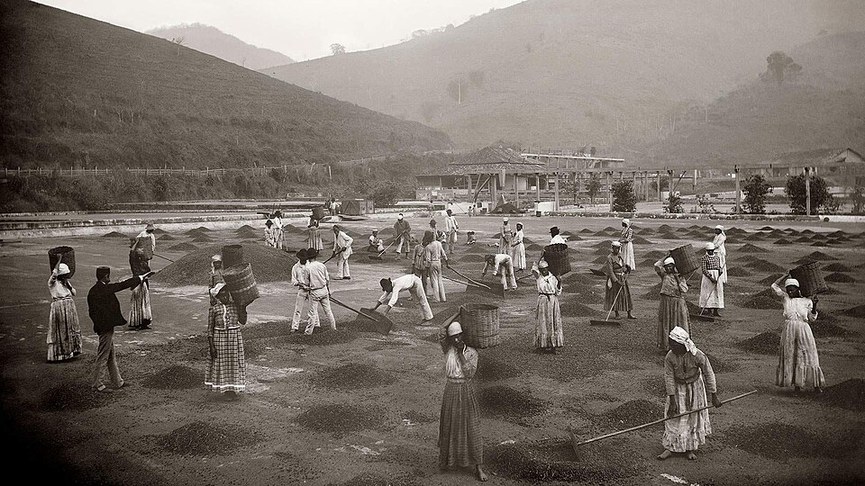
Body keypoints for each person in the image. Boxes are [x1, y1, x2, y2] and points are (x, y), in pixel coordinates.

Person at [657, 326, 722, 461]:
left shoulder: (697, 355)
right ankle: (670, 447)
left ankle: (689, 448)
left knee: (693, 417)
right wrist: (672, 400)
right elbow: (668, 377)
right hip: (677, 388)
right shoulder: (670, 357)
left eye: (674, 345)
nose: (671, 347)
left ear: (683, 345)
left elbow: (708, 373)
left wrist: (714, 395)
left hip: (695, 387)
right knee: (673, 416)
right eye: (670, 344)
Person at [438, 320, 487, 481]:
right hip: (451, 389)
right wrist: (457, 314)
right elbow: (441, 330)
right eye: (453, 337)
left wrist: (460, 354)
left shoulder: (472, 353)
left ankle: (478, 467)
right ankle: (448, 461)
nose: (457, 339)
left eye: (459, 336)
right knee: (449, 425)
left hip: (465, 390)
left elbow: (469, 373)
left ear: (463, 335)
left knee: (471, 426)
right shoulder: (447, 349)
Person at [87, 266, 148, 392]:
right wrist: (139, 278)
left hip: (103, 326)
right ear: (106, 276)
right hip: (106, 327)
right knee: (103, 355)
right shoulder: (104, 289)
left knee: (110, 355)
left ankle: (117, 381)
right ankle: (97, 384)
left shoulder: (94, 290)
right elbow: (122, 285)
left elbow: (92, 312)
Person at [771, 275, 825, 393]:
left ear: (797, 289)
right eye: (788, 289)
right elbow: (774, 286)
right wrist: (785, 275)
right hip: (789, 330)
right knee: (792, 355)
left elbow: (812, 318)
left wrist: (814, 305)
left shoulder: (807, 301)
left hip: (803, 330)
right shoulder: (785, 298)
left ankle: (816, 385)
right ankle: (797, 385)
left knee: (809, 355)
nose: (790, 291)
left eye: (792, 289)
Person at [205, 280, 247, 398]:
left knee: (234, 363)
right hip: (220, 340)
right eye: (222, 295)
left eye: (226, 294)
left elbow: (243, 321)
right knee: (222, 364)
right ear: (218, 297)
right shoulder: (214, 309)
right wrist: (212, 347)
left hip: (234, 339)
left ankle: (233, 389)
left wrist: (243, 308)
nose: (225, 297)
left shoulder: (235, 306)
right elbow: (210, 330)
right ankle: (225, 389)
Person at [47, 261, 82, 362]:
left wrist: (69, 286)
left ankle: (70, 351)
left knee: (70, 328)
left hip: (69, 307)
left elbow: (74, 293)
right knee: (60, 329)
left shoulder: (66, 283)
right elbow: (54, 273)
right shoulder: (52, 283)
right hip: (59, 307)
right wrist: (58, 260)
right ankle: (60, 354)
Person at [654, 257, 689, 351]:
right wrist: (666, 256)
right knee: (666, 322)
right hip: (666, 302)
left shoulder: (680, 277)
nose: (668, 268)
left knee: (678, 322)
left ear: (674, 266)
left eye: (670, 266)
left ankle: (680, 345)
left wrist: (678, 279)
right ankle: (666, 345)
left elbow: (684, 290)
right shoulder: (664, 275)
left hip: (677, 302)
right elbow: (656, 266)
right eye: (666, 267)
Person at [128, 223, 155, 330]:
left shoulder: (139, 256)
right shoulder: (134, 256)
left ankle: (143, 322)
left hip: (142, 281)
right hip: (138, 281)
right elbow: (143, 269)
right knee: (139, 302)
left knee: (143, 302)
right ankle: (138, 323)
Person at [304, 249, 336, 333]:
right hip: (324, 290)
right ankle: (333, 328)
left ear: (308, 258)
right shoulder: (322, 265)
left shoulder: (307, 268)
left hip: (315, 292)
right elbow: (327, 280)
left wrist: (306, 292)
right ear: (315, 256)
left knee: (312, 313)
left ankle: (308, 332)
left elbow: (306, 283)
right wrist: (328, 291)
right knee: (328, 311)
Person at [535, 260, 563, 354]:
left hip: (552, 301)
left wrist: (559, 282)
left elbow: (558, 292)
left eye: (545, 269)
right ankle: (542, 345)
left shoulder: (553, 278)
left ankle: (553, 346)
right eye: (541, 269)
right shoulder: (538, 277)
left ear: (548, 269)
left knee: (553, 322)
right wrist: (541, 257)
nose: (543, 271)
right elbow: (533, 268)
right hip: (542, 301)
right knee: (542, 322)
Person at [605, 241, 635, 319]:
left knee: (626, 294)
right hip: (615, 279)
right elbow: (610, 272)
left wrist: (626, 268)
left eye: (618, 248)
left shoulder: (620, 256)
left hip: (622, 277)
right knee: (615, 296)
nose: (617, 250)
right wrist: (616, 281)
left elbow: (623, 266)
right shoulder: (609, 258)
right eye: (616, 248)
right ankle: (617, 313)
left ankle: (629, 313)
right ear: (612, 248)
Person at [699, 243, 724, 317]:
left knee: (717, 292)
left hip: (717, 277)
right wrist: (711, 278)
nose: (710, 252)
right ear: (707, 250)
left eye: (712, 250)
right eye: (709, 250)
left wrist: (720, 271)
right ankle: (709, 310)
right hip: (708, 277)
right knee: (708, 292)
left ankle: (715, 311)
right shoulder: (704, 258)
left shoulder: (717, 257)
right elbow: (704, 269)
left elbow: (719, 267)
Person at [290, 249, 312, 333]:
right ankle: (295, 326)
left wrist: (311, 286)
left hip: (310, 289)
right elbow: (293, 281)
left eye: (305, 259)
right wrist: (301, 284)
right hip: (302, 289)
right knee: (298, 309)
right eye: (302, 259)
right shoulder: (295, 267)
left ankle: (316, 324)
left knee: (312, 309)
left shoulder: (310, 265)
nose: (304, 260)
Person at [425, 229, 449, 303]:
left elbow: (428, 260)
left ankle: (436, 298)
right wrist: (447, 263)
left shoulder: (428, 247)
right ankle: (443, 298)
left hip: (432, 263)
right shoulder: (439, 243)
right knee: (440, 280)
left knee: (434, 281)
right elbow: (443, 254)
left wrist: (426, 269)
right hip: (439, 262)